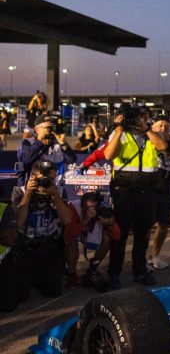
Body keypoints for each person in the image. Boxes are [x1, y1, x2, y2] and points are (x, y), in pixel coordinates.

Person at [102, 104, 167, 289]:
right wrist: (118, 129)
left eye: (144, 117)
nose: (141, 120)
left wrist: (147, 129)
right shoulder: (121, 134)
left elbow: (162, 146)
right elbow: (108, 155)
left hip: (147, 191)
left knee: (142, 234)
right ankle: (114, 273)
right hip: (125, 191)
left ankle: (140, 270)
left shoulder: (151, 135)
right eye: (138, 117)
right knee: (120, 235)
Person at [11, 160, 72, 299]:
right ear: (32, 177)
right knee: (20, 296)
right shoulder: (19, 191)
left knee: (52, 292)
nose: (46, 183)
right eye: (43, 179)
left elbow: (67, 220)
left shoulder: (59, 192)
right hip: (26, 248)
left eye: (51, 179)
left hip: (50, 248)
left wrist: (55, 197)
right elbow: (18, 223)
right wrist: (28, 194)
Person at [63, 191, 120, 291]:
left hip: (93, 231)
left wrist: (109, 224)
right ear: (82, 205)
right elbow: (68, 236)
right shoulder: (74, 207)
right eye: (88, 208)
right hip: (79, 228)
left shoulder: (104, 208)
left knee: (107, 239)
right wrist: (85, 219)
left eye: (94, 208)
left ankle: (93, 269)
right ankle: (72, 274)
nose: (92, 211)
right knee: (71, 241)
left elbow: (117, 236)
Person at [148, 115, 170, 271]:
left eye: (166, 126)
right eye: (160, 126)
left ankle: (154, 256)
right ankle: (139, 259)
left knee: (164, 224)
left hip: (167, 187)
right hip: (150, 187)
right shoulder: (148, 141)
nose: (163, 129)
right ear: (153, 127)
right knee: (146, 224)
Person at [18, 115, 76, 186]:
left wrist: (63, 143)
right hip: (33, 186)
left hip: (55, 186)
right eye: (46, 128)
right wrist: (39, 140)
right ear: (36, 130)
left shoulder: (57, 142)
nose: (49, 130)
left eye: (51, 127)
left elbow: (71, 160)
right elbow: (26, 159)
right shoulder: (28, 142)